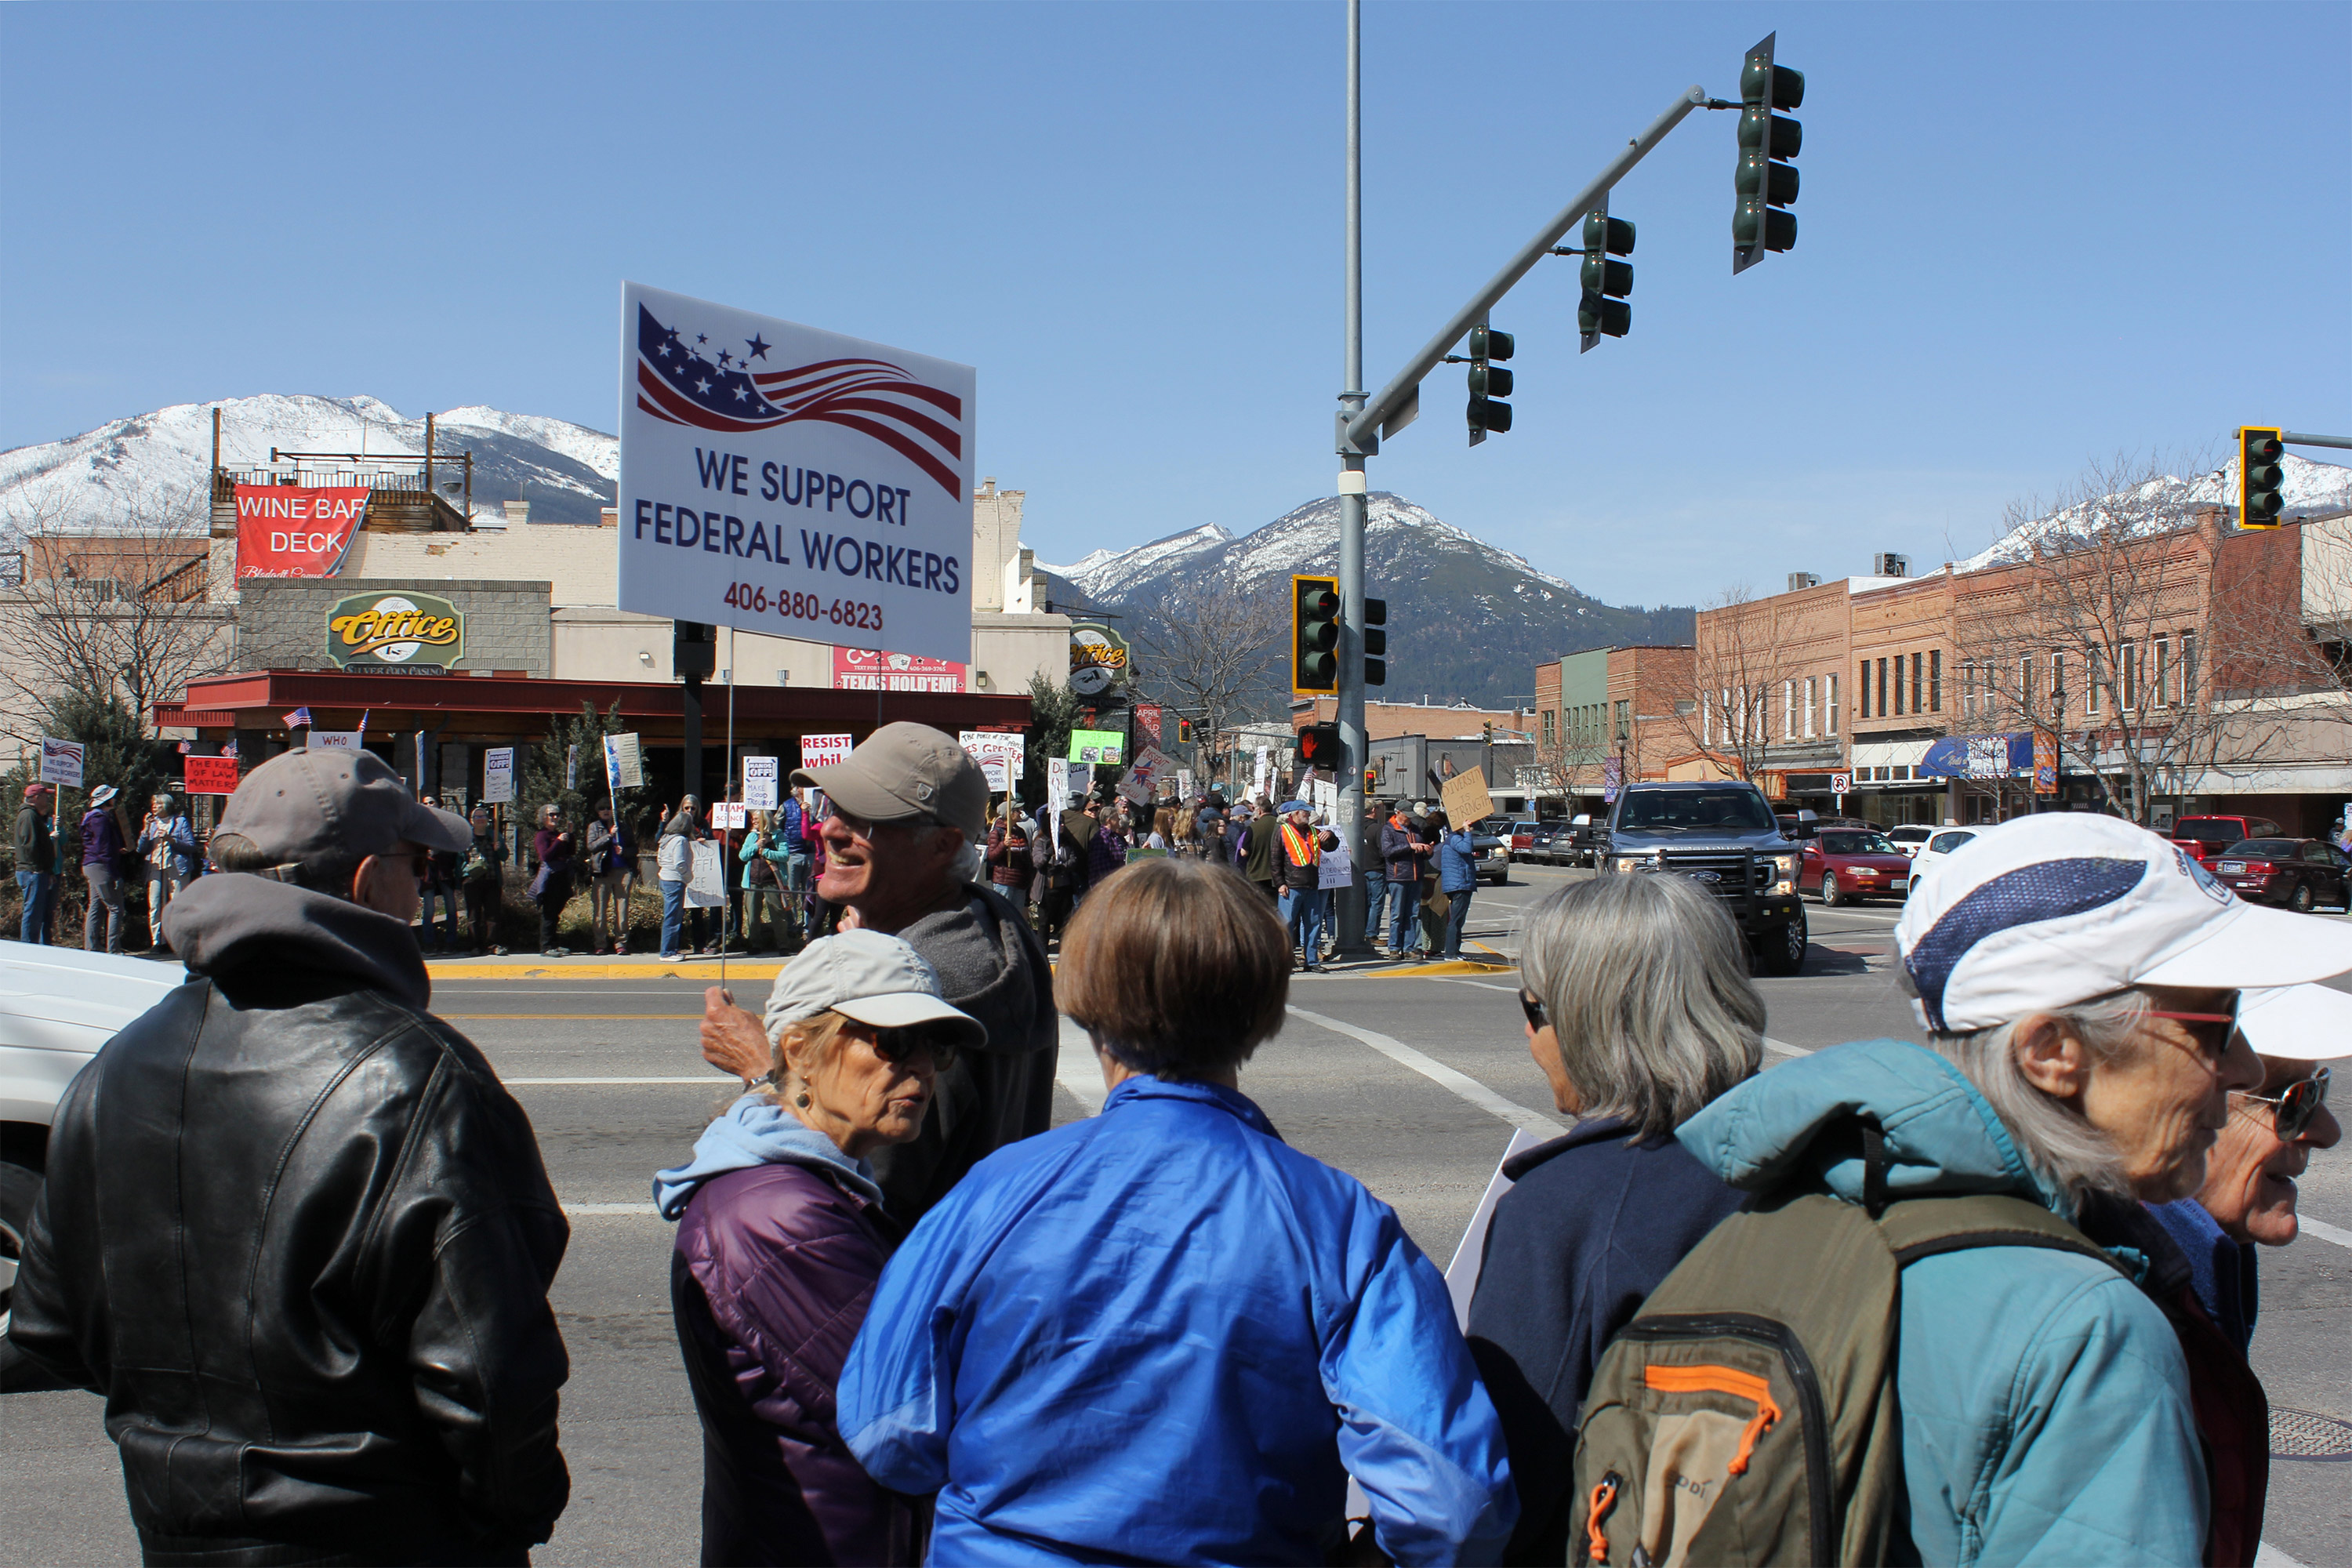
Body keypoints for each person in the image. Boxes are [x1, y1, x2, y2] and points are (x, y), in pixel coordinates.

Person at [1669, 814, 2352, 1564]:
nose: (2248, 1070)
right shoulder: (2088, 1330)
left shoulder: (1768, 1227)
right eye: (2218, 1025)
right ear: (2053, 1052)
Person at [837, 858, 1519, 1564]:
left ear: (1086, 1003)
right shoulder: (1336, 1223)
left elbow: (886, 1430)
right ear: (1262, 1010)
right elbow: (1451, 1506)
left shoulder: (991, 1194)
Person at [10, 748, 571, 1564]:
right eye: (416, 865)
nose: (422, 888)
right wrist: (511, 1520)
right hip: (388, 1536)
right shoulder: (419, 1080)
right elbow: (490, 1378)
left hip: (173, 1530)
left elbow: (52, 1325)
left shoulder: (114, 1067)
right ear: (367, 879)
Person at [658, 931, 983, 1567]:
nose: (919, 1065)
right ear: (801, 1050)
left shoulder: (812, 1183)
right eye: (892, 1041)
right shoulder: (778, 1217)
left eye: (934, 1044)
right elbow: (910, 1418)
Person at [1466, 874, 1762, 1564]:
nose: (1533, 1041)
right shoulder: (1826, 1164)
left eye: (1535, 1011)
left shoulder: (1564, 1209)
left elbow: (1511, 1478)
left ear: (1591, 1020)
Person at [699, 722, 1057, 1225]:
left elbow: (839, 1202)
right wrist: (877, 942)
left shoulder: (923, 987)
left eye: (866, 818)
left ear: (941, 846)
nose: (830, 829)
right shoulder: (994, 924)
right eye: (833, 808)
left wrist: (764, 1071)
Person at [2146, 982, 2345, 1566]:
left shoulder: (2213, 1260)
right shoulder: (2124, 1303)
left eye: (2319, 1092)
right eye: (2292, 1101)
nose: (2326, 1131)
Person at [136, 792, 199, 954]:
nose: (154, 807)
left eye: (158, 804)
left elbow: (191, 846)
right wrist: (145, 830)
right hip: (156, 868)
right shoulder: (152, 824)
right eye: (153, 805)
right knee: (155, 904)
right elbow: (141, 849)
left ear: (166, 806)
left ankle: (177, 942)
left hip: (177, 868)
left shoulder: (180, 822)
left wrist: (172, 840)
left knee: (177, 905)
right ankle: (158, 941)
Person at [80, 782, 130, 955]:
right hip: (100, 866)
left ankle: (92, 946)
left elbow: (98, 844)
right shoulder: (99, 819)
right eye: (112, 797)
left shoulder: (92, 817)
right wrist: (114, 873)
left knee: (95, 905)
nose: (115, 800)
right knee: (115, 907)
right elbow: (102, 847)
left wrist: (115, 849)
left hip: (91, 865)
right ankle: (114, 949)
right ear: (106, 800)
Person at [737, 811, 794, 955]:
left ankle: (783, 945)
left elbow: (785, 856)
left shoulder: (778, 835)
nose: (754, 821)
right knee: (753, 914)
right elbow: (743, 856)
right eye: (754, 819)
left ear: (765, 820)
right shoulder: (751, 836)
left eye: (757, 819)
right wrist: (756, 846)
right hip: (753, 880)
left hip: (772, 880)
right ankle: (755, 944)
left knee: (777, 912)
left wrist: (767, 852)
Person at [1276, 801, 1324, 972]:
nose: (1308, 815)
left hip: (1311, 884)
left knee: (1313, 923)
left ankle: (1311, 961)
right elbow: (1275, 859)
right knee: (1287, 923)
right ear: (1295, 814)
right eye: (1305, 812)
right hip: (1291, 885)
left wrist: (1330, 837)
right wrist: (1280, 883)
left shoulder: (1312, 831)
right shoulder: (1283, 831)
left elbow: (1331, 846)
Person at [15, 781, 60, 944]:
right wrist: (39, 869)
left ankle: (32, 945)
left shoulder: (34, 816)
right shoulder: (28, 816)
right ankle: (28, 947)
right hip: (32, 872)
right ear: (35, 797)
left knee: (36, 912)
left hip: (36, 871)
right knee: (32, 912)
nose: (47, 800)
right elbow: (30, 845)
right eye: (45, 796)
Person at [659, 795, 703, 960]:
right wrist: (688, 876)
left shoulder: (666, 838)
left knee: (672, 916)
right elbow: (680, 863)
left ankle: (671, 949)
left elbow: (659, 859)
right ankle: (667, 952)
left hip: (665, 877)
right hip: (675, 880)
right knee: (673, 917)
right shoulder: (680, 841)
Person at [416, 795, 462, 952]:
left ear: (438, 805)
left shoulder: (447, 825)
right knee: (429, 909)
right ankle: (428, 944)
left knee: (450, 908)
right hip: (428, 873)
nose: (428, 805)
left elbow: (454, 847)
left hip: (444, 870)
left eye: (431, 802)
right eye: (425, 803)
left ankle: (451, 943)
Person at [532, 802, 578, 955]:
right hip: (550, 876)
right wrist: (558, 841)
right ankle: (546, 946)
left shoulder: (557, 833)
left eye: (557, 814)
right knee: (549, 912)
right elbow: (545, 856)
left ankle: (554, 943)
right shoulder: (542, 835)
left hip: (562, 875)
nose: (555, 817)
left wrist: (570, 835)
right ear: (543, 817)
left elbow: (571, 851)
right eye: (551, 814)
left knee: (556, 911)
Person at [462, 804, 508, 955]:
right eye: (477, 816)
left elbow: (505, 856)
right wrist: (463, 875)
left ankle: (492, 945)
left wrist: (498, 848)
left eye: (483, 816)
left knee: (493, 914)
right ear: (471, 820)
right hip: (472, 881)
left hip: (492, 880)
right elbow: (459, 858)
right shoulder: (467, 837)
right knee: (473, 915)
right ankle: (475, 946)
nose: (481, 819)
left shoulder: (494, 835)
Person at [1380, 802, 1423, 956]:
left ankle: (1409, 947)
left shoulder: (1415, 829)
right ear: (1398, 813)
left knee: (1413, 914)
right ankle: (1394, 948)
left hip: (1415, 875)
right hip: (1398, 876)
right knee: (1397, 914)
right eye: (1406, 815)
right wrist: (1409, 846)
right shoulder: (1389, 829)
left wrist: (1427, 850)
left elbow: (1419, 849)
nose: (1409, 819)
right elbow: (1387, 851)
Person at [1436, 809, 1477, 960]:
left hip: (1460, 883)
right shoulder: (1454, 839)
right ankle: (1451, 953)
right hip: (1459, 884)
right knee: (1455, 920)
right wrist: (1466, 831)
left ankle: (1456, 951)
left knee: (1459, 920)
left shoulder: (1453, 839)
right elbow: (1466, 848)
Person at [1242, 794, 1282, 904]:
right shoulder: (1281, 825)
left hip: (1256, 875)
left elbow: (1244, 852)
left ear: (1259, 811)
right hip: (1277, 876)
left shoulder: (1253, 827)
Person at [1362, 801, 1390, 952]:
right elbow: (1383, 850)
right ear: (1373, 810)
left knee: (1365, 903)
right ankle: (1371, 934)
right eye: (1378, 808)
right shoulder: (1377, 828)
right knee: (1376, 904)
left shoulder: (1356, 827)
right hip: (1377, 870)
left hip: (1361, 870)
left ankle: (1364, 932)